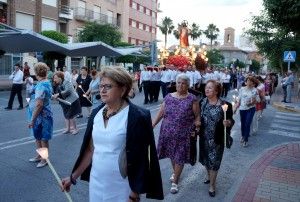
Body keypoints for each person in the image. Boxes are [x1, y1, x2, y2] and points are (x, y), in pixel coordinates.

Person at [61, 67, 164, 202]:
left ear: (123, 89)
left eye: (108, 86)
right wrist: (73, 177)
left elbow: (142, 158)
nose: (102, 90)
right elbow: (91, 149)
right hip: (96, 181)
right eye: (101, 85)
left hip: (123, 186)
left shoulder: (137, 116)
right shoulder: (96, 113)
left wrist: (134, 194)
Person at [152, 73, 200, 194]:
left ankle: (175, 181)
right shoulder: (168, 97)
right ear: (176, 84)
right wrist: (153, 124)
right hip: (167, 132)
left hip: (184, 134)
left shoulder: (192, 99)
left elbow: (197, 116)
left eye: (184, 83)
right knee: (172, 155)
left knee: (180, 156)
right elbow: (161, 113)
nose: (181, 85)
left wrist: (197, 125)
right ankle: (175, 173)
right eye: (179, 82)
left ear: (188, 85)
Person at [199, 80, 234, 197]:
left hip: (217, 140)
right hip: (204, 138)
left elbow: (231, 120)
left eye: (210, 88)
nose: (206, 89)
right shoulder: (202, 102)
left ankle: (212, 185)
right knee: (205, 160)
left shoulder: (225, 105)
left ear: (216, 91)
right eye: (206, 87)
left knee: (214, 162)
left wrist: (227, 122)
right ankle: (209, 176)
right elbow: (198, 117)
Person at [28, 62, 53, 168]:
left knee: (43, 137)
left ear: (36, 72)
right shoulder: (46, 82)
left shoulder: (41, 85)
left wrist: (32, 119)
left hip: (41, 116)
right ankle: (39, 156)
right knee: (38, 136)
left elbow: (39, 104)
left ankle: (44, 159)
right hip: (44, 114)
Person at [234, 76, 260, 147]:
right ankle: (243, 135)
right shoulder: (242, 89)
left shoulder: (255, 90)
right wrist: (235, 108)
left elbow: (258, 100)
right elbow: (238, 99)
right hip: (242, 109)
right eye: (248, 80)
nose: (249, 82)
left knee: (247, 123)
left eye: (251, 81)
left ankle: (246, 140)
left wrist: (253, 102)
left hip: (251, 109)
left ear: (253, 83)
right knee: (243, 123)